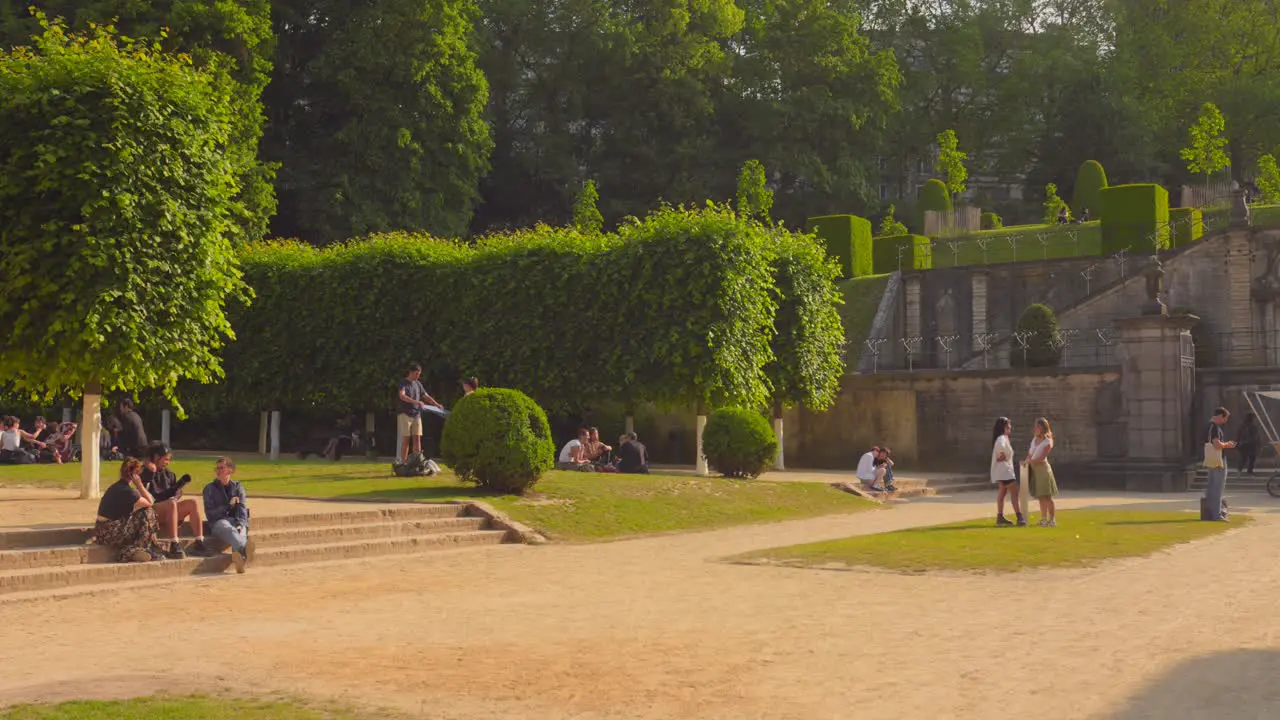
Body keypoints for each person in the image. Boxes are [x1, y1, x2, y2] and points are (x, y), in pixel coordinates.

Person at [140, 443, 208, 558]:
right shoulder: (145, 471)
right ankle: (174, 544)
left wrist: (177, 495)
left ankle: (199, 542)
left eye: (169, 460)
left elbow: (172, 497)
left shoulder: (170, 474)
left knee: (192, 503)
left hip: (170, 509)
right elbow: (148, 497)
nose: (168, 462)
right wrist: (150, 469)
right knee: (171, 503)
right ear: (156, 457)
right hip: (152, 512)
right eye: (165, 459)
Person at [93, 459, 161, 563]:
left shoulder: (116, 487)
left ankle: (137, 549)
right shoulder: (128, 492)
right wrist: (139, 485)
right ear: (135, 475)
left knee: (143, 512)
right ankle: (132, 550)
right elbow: (150, 502)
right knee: (148, 512)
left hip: (101, 532)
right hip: (109, 534)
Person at [203, 456, 255, 573]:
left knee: (240, 530)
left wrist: (240, 523)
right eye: (217, 468)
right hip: (218, 522)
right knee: (229, 529)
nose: (218, 471)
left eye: (222, 468)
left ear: (230, 470)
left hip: (236, 521)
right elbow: (210, 514)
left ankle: (238, 558)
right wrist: (228, 505)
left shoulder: (238, 487)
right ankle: (245, 549)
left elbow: (242, 508)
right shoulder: (209, 489)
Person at [397, 363, 447, 463]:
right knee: (406, 439)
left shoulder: (418, 384)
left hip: (417, 415)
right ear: (410, 372)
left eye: (419, 374)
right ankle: (403, 462)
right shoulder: (403, 383)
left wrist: (437, 404)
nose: (417, 376)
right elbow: (402, 396)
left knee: (417, 438)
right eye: (416, 374)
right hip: (405, 414)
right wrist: (416, 402)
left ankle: (417, 461)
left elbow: (426, 396)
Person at [990, 417, 1025, 526]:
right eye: (1008, 426)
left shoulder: (1002, 438)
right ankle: (1020, 517)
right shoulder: (1002, 438)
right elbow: (1001, 450)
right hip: (1005, 471)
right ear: (1004, 427)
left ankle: (1000, 517)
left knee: (1003, 492)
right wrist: (1002, 455)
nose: (1010, 428)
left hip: (1003, 471)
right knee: (1014, 491)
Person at [1024, 417, 1058, 527]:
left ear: (1043, 428)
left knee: (1047, 496)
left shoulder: (1048, 441)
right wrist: (1025, 461)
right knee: (1040, 496)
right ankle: (1043, 519)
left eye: (1038, 426)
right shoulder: (1034, 440)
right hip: (1035, 469)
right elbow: (1030, 454)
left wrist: (1031, 461)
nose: (1036, 428)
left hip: (1043, 469)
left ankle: (1052, 519)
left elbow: (1042, 457)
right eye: (1035, 426)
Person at [1203, 407, 1235, 522]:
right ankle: (1216, 514)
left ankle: (1210, 512)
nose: (1225, 421)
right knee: (1217, 487)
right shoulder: (1214, 427)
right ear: (1221, 416)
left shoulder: (1208, 426)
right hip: (1218, 460)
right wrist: (1228, 444)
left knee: (1211, 486)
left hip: (1211, 459)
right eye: (1225, 418)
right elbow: (1217, 444)